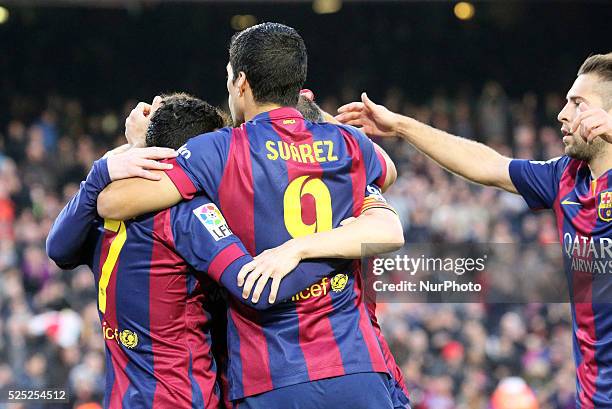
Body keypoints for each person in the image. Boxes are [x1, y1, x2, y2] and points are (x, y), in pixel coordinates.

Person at [95, 22, 405, 409]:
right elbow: (387, 172)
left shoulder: (219, 151)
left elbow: (111, 203)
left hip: (270, 377)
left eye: (228, 76)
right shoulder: (348, 144)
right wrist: (315, 118)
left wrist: (142, 145)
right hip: (357, 367)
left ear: (241, 82)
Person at [336, 52, 612, 408]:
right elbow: (489, 165)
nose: (562, 113)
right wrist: (402, 127)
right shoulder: (566, 178)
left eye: (577, 103)